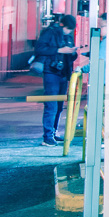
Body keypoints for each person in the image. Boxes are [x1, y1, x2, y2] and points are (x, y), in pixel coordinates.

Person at [34, 14, 78, 146]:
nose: (69, 31)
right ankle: (47, 136)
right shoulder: (50, 32)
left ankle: (53, 132)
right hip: (51, 72)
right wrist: (59, 50)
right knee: (51, 105)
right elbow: (39, 49)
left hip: (63, 73)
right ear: (62, 24)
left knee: (59, 106)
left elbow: (71, 57)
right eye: (68, 28)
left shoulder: (68, 36)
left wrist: (72, 52)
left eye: (71, 30)